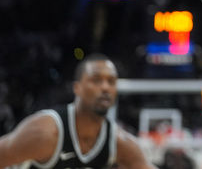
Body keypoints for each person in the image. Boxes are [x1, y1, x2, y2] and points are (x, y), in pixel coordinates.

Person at [0, 54, 155, 169]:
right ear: (77, 88)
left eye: (111, 82)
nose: (105, 87)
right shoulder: (45, 132)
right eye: (96, 80)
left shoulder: (119, 142)